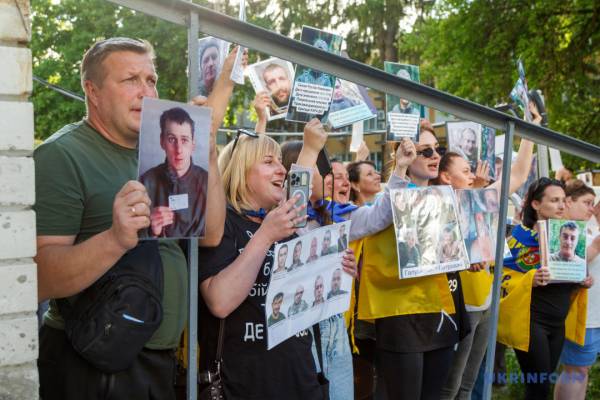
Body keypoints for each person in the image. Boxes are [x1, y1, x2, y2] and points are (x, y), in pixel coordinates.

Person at [34, 37, 227, 400]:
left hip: (156, 362)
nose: (146, 92)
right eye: (130, 80)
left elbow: (211, 235)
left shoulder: (160, 152)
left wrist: (209, 154)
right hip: (91, 362)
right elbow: (38, 277)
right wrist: (115, 239)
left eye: (151, 80)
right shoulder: (61, 155)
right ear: (92, 91)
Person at [199, 133, 323, 399]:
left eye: (280, 161)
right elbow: (220, 302)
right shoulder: (220, 224)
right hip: (243, 385)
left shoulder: (285, 227)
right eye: (269, 161)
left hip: (300, 381)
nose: (282, 170)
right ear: (241, 171)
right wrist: (265, 236)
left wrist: (334, 268)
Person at [438, 103, 541, 400]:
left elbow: (518, 174)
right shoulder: (438, 205)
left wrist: (530, 128)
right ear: (446, 178)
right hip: (461, 305)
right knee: (451, 384)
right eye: (465, 171)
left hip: (487, 301)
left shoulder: (483, 197)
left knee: (469, 382)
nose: (473, 174)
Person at [498, 177, 592, 400]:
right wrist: (530, 279)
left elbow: (571, 278)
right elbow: (499, 277)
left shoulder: (569, 235)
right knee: (538, 388)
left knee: (543, 384)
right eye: (554, 200)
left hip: (558, 324)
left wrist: (583, 281)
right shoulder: (517, 239)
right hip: (531, 322)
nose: (561, 205)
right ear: (536, 204)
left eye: (563, 200)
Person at [555, 180, 600, 400]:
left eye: (593, 203)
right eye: (586, 202)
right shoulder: (564, 230)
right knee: (576, 370)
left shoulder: (588, 228)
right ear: (569, 201)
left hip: (594, 315)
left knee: (582, 370)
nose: (591, 208)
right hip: (580, 315)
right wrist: (597, 244)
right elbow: (569, 265)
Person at [140, 107, 208, 238]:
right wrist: (150, 231)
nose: (179, 150)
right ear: (162, 141)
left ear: (193, 144)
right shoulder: (145, 182)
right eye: (172, 139)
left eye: (184, 140)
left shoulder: (207, 182)